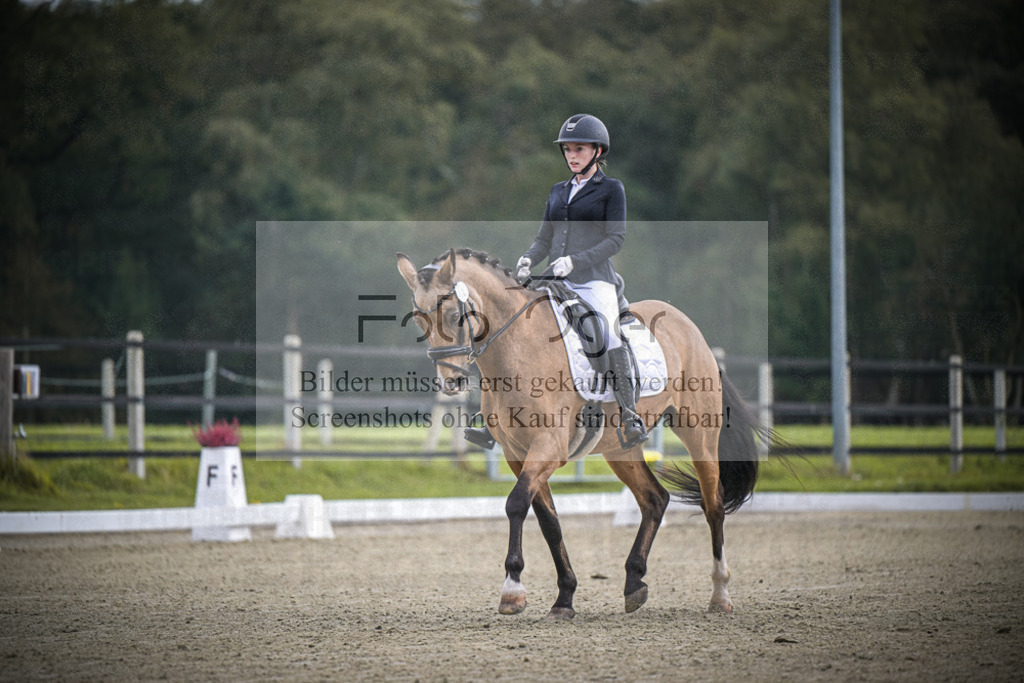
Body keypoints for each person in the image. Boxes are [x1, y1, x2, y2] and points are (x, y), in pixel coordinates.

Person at [465, 113, 648, 450]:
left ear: (597, 151)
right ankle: (492, 419)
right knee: (513, 332)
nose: (572, 156)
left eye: (579, 149)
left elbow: (616, 240)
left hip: (594, 282)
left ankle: (629, 414)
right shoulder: (558, 191)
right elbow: (543, 238)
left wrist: (575, 261)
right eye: (567, 150)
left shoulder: (611, 189)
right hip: (554, 281)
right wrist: (528, 259)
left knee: (606, 334)